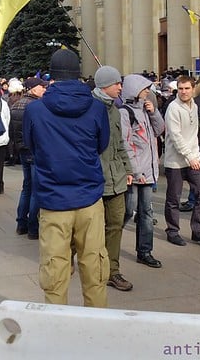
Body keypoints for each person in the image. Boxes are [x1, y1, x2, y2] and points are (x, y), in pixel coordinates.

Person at [23, 48, 110, 307]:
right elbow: (101, 144)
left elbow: (31, 145)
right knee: (94, 270)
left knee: (55, 274)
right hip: (90, 200)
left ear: (52, 76)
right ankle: (96, 332)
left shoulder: (35, 110)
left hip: (53, 201)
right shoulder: (96, 108)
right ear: (78, 74)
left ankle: (57, 332)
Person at [92, 66, 135, 291]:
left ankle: (112, 271)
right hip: (95, 178)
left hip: (116, 177)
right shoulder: (89, 108)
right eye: (117, 83)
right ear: (104, 85)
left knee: (116, 224)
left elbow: (119, 143)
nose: (120, 87)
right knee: (88, 227)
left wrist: (128, 169)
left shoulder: (115, 110)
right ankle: (74, 259)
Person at [163, 75, 200, 249]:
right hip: (176, 161)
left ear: (194, 89)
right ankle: (172, 231)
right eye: (181, 89)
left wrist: (197, 156)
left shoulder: (195, 106)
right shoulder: (173, 108)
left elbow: (193, 135)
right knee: (174, 198)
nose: (184, 92)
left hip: (194, 158)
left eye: (187, 88)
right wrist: (190, 157)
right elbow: (176, 136)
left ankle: (199, 231)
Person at [119, 73, 165, 270]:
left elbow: (160, 130)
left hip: (148, 171)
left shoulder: (146, 110)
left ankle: (144, 251)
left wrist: (154, 112)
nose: (148, 92)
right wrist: (135, 171)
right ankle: (106, 243)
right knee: (128, 210)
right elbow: (126, 143)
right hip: (135, 172)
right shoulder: (125, 112)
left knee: (145, 213)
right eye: (145, 89)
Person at [11, 77, 47, 240]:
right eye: (41, 87)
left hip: (22, 149)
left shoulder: (17, 103)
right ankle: (33, 227)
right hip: (34, 150)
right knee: (35, 189)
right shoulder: (35, 106)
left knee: (26, 187)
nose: (44, 90)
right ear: (32, 88)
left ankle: (21, 223)